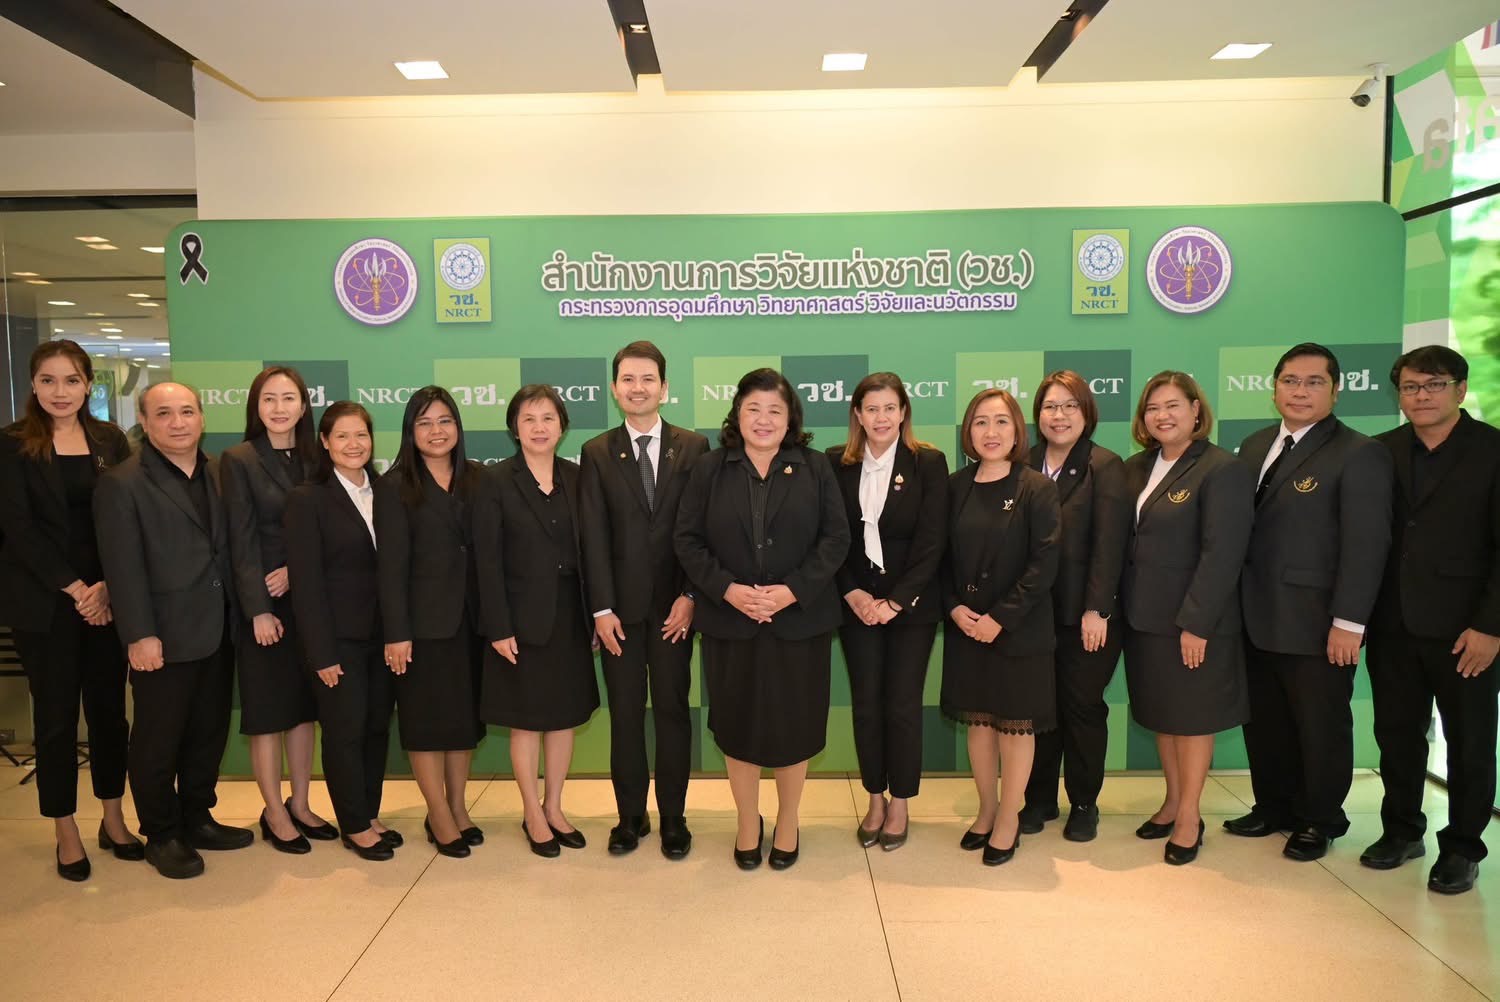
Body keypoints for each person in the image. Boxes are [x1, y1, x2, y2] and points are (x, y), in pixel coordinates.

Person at [675, 368, 850, 871]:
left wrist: (791, 591)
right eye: (753, 409)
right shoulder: (709, 468)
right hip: (731, 623)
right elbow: (687, 540)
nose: (764, 419)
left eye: (775, 410)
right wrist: (727, 590)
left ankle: (789, 820)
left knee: (796, 726)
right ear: (737, 414)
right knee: (738, 726)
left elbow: (836, 538)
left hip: (799, 622)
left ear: (791, 418)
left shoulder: (815, 467)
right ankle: (747, 822)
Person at [1230, 343, 1393, 862]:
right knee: (1266, 722)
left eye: (1314, 382)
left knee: (1320, 726)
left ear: (1336, 390)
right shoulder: (1255, 444)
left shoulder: (1359, 453)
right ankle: (1273, 806)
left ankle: (1320, 818)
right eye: (1290, 381)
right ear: (1274, 387)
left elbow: (1367, 545)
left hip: (1318, 622)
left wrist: (1350, 622)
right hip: (1253, 614)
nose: (1300, 391)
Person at [95, 382, 252, 879]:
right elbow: (123, 567)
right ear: (145, 422)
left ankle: (197, 817)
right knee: (158, 740)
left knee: (208, 732)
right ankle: (161, 832)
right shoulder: (122, 483)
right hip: (160, 635)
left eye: (187, 411)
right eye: (164, 413)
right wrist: (139, 634)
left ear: (202, 418)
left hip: (218, 627)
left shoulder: (220, 472)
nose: (178, 422)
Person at [1363, 346, 1500, 895]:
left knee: (1470, 743)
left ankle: (1463, 847)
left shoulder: (1492, 450)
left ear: (1460, 390)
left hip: (1466, 630)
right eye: (1411, 387)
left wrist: (1491, 626)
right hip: (1392, 623)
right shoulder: (1380, 451)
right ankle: (1401, 831)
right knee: (1397, 735)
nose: (1421, 396)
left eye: (1434, 385)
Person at [0, 340, 137, 881]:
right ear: (34, 384)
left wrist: (107, 588)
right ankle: (64, 829)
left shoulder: (110, 440)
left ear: (88, 384)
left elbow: (124, 517)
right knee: (56, 720)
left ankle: (113, 817)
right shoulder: (12, 444)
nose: (61, 391)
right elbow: (18, 528)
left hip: (107, 600)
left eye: (72, 380)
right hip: (46, 605)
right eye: (49, 380)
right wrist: (78, 589)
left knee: (110, 715)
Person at [579, 342, 710, 858]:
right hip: (620, 615)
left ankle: (674, 817)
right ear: (615, 389)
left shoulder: (694, 447)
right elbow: (592, 536)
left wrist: (692, 596)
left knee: (673, 712)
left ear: (664, 387)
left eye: (648, 379)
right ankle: (630, 817)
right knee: (626, 716)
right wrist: (601, 609)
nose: (638, 388)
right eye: (628, 379)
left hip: (676, 610)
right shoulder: (596, 452)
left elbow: (703, 530)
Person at [1121, 372, 1253, 866]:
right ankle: (1172, 801)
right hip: (1144, 618)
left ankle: (1190, 818)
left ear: (1196, 410)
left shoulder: (1222, 469)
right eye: (1153, 407)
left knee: (1194, 719)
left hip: (1194, 622)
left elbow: (1223, 553)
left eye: (1173, 405)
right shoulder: (1136, 467)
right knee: (1164, 715)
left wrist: (1197, 622)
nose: (1163, 415)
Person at [475, 385, 600, 858]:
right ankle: (531, 812)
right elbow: (486, 561)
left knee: (565, 718)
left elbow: (594, 552)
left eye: (548, 418)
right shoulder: (494, 480)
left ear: (562, 426)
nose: (539, 427)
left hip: (570, 616)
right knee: (526, 722)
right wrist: (498, 626)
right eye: (529, 419)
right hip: (519, 621)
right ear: (514, 428)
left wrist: (596, 614)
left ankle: (554, 806)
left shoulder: (578, 476)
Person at [827, 372, 947, 851]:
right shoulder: (836, 463)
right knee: (867, 705)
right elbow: (830, 538)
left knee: (901, 705)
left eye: (890, 408)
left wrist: (896, 601)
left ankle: (901, 802)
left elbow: (933, 541)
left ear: (903, 413)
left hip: (910, 607)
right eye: (871, 409)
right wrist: (853, 594)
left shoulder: (928, 463)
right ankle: (874, 797)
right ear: (858, 414)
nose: (881, 418)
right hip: (857, 605)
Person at [943, 389, 1060, 867]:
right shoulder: (954, 487)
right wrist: (953, 608)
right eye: (980, 422)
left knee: (1014, 725)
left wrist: (1000, 618)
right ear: (968, 432)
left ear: (1017, 431)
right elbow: (937, 558)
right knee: (979, 722)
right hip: (966, 627)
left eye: (1001, 422)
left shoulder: (1037, 488)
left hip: (1019, 630)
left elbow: (1044, 562)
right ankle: (987, 810)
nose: (990, 432)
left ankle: (1010, 818)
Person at [220, 366, 334, 854]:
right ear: (256, 406)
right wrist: (258, 610)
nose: (279, 407)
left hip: (311, 606)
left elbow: (330, 528)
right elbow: (239, 540)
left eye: (289, 398)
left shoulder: (318, 456)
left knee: (304, 711)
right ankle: (273, 811)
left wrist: (296, 569)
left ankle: (301, 803)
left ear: (304, 406)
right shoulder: (239, 459)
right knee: (268, 713)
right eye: (269, 399)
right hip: (265, 609)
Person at [285, 401, 400, 861]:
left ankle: (368, 813)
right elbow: (306, 583)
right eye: (343, 436)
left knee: (376, 728)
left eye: (362, 435)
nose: (354, 444)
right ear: (325, 442)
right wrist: (322, 653)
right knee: (344, 731)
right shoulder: (308, 498)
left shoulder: (387, 491)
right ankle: (353, 824)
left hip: (384, 636)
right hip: (337, 640)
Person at [1020, 371, 1129, 843]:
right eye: (1050, 406)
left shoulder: (1104, 465)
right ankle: (1039, 799)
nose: (1059, 415)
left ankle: (1084, 803)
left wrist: (1096, 610)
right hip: (1032, 615)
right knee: (1037, 709)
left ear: (1086, 412)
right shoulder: (1023, 462)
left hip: (1086, 616)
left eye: (1069, 406)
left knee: (1082, 707)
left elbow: (1110, 544)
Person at [374, 386, 483, 860]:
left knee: (462, 721)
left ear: (457, 426)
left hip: (472, 623)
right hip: (421, 627)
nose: (436, 431)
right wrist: (397, 632)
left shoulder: (478, 479)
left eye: (444, 421)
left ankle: (457, 806)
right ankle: (437, 813)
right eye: (424, 423)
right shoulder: (394, 486)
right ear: (410, 432)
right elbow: (390, 567)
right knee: (425, 722)